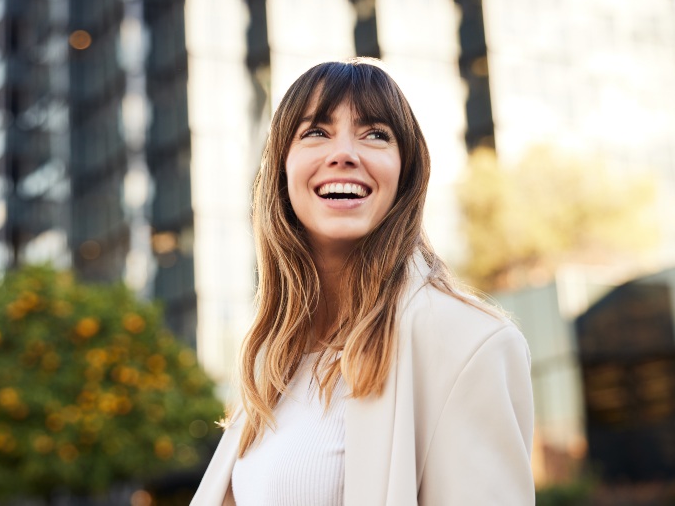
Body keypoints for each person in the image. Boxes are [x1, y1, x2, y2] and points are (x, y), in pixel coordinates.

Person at [191, 58, 534, 505]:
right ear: (281, 170)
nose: (345, 153)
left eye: (375, 134)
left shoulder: (470, 343)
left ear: (404, 173)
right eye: (316, 132)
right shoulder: (272, 361)